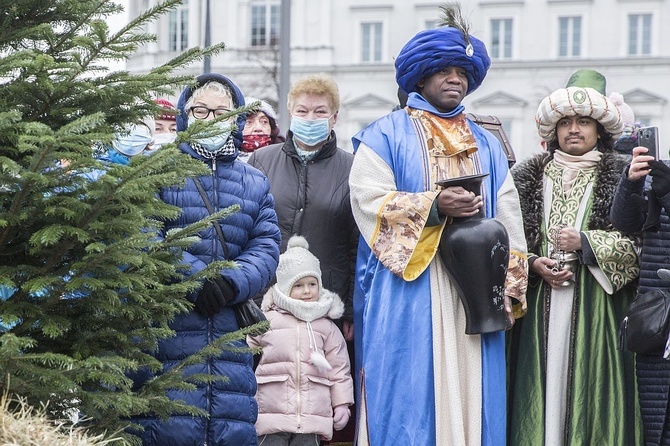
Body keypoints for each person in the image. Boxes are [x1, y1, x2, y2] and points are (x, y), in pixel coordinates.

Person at [347, 7, 529, 445]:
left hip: (476, 292)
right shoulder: (384, 134)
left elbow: (509, 214)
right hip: (409, 291)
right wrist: (433, 204)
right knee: (407, 395)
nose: (456, 79)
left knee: (474, 393)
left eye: (462, 72)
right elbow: (367, 200)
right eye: (444, 71)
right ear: (420, 78)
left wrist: (512, 281)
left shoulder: (486, 139)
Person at [130, 73, 281, 445]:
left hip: (229, 328)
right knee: (169, 425)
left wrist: (231, 281)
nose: (210, 119)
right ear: (185, 115)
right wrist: (198, 278)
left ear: (236, 119)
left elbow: (267, 246)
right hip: (169, 325)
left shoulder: (254, 182)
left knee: (228, 425)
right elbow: (145, 233)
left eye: (221, 111)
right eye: (200, 110)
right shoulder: (159, 168)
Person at [507, 69, 642, 445]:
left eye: (584, 121)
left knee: (591, 388)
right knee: (540, 387)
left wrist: (587, 243)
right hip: (538, 307)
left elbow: (640, 248)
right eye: (565, 122)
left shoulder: (623, 176)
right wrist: (533, 264)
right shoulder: (526, 177)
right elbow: (505, 240)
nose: (574, 130)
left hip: (599, 306)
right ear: (554, 131)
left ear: (600, 129)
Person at [247, 75, 358, 342]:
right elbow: (245, 230)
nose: (310, 118)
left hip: (326, 305)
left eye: (320, 112)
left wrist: (352, 309)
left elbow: (358, 245)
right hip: (266, 302)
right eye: (303, 111)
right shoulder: (261, 161)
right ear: (290, 114)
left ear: (334, 118)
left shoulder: (352, 168)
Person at [248, 235, 354, 446]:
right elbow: (243, 351)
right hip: (271, 413)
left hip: (312, 416)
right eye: (298, 285)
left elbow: (339, 369)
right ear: (285, 288)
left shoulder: (326, 326)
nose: (307, 291)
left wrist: (342, 403)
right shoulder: (268, 320)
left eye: (312, 284)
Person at [611, 141, 670, 445]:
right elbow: (624, 223)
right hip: (656, 317)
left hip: (658, 313)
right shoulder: (664, 169)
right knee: (655, 419)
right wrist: (632, 182)